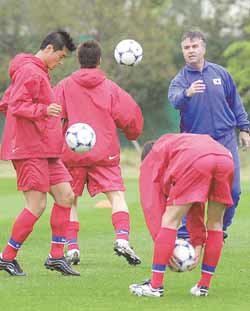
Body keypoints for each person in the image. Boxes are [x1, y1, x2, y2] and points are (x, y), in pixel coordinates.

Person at [54, 40, 143, 266]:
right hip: (104, 153)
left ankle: (72, 247)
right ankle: (122, 238)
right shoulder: (110, 87)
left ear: (78, 60)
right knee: (116, 196)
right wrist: (132, 132)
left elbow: (52, 115)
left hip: (72, 154)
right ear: (100, 60)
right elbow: (130, 115)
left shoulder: (64, 86)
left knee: (70, 201)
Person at [0, 30, 80, 276]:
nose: (61, 61)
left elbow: (5, 103)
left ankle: (56, 257)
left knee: (66, 195)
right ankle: (6, 257)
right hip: (30, 150)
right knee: (37, 205)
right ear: (48, 49)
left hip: (46, 149)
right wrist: (43, 111)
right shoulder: (29, 71)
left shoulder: (38, 72)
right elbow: (15, 106)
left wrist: (42, 120)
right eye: (61, 56)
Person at [168, 31, 250, 240]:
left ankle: (219, 229)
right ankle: (186, 235)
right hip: (196, 144)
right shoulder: (180, 80)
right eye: (186, 48)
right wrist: (187, 93)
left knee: (234, 191)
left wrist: (244, 129)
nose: (191, 51)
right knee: (192, 190)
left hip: (225, 139)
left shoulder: (221, 73)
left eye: (194, 46)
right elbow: (174, 100)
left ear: (203, 48)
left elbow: (235, 103)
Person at [129, 133, 234, 297]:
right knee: (216, 223)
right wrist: (197, 241)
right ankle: (203, 287)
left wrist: (165, 246)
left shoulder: (155, 155)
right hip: (225, 157)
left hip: (196, 159)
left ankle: (155, 286)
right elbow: (195, 203)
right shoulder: (177, 145)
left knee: (169, 219)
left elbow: (152, 204)